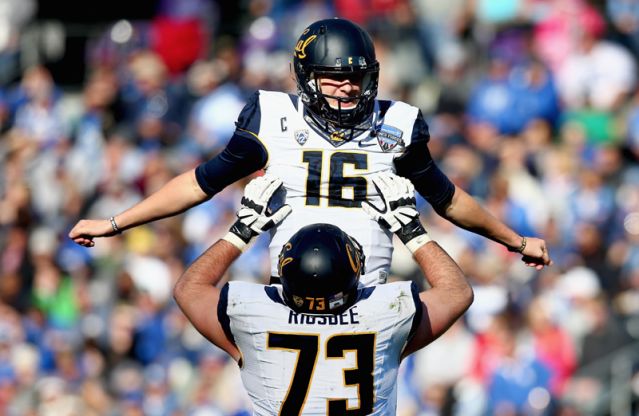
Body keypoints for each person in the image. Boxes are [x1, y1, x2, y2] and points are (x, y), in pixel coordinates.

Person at [70, 17, 552, 286]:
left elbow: (448, 199)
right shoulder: (272, 117)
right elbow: (200, 182)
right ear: (307, 77)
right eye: (332, 77)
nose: (345, 88)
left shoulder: (397, 124)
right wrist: (116, 223)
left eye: (354, 77)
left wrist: (514, 239)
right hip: (292, 290)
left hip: (368, 292)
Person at [173, 172, 474, 415]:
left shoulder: (252, 312)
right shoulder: (384, 312)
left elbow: (189, 289)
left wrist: (240, 233)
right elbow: (456, 292)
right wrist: (411, 230)